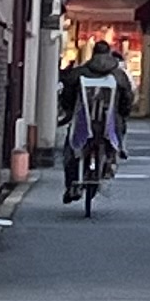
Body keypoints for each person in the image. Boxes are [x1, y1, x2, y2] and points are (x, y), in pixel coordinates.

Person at [58, 41, 131, 203]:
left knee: (71, 150)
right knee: (117, 133)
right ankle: (114, 157)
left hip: (83, 122)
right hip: (110, 124)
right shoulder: (119, 75)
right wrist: (123, 113)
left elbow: (67, 93)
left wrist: (68, 111)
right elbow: (127, 99)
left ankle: (72, 185)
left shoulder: (80, 72)